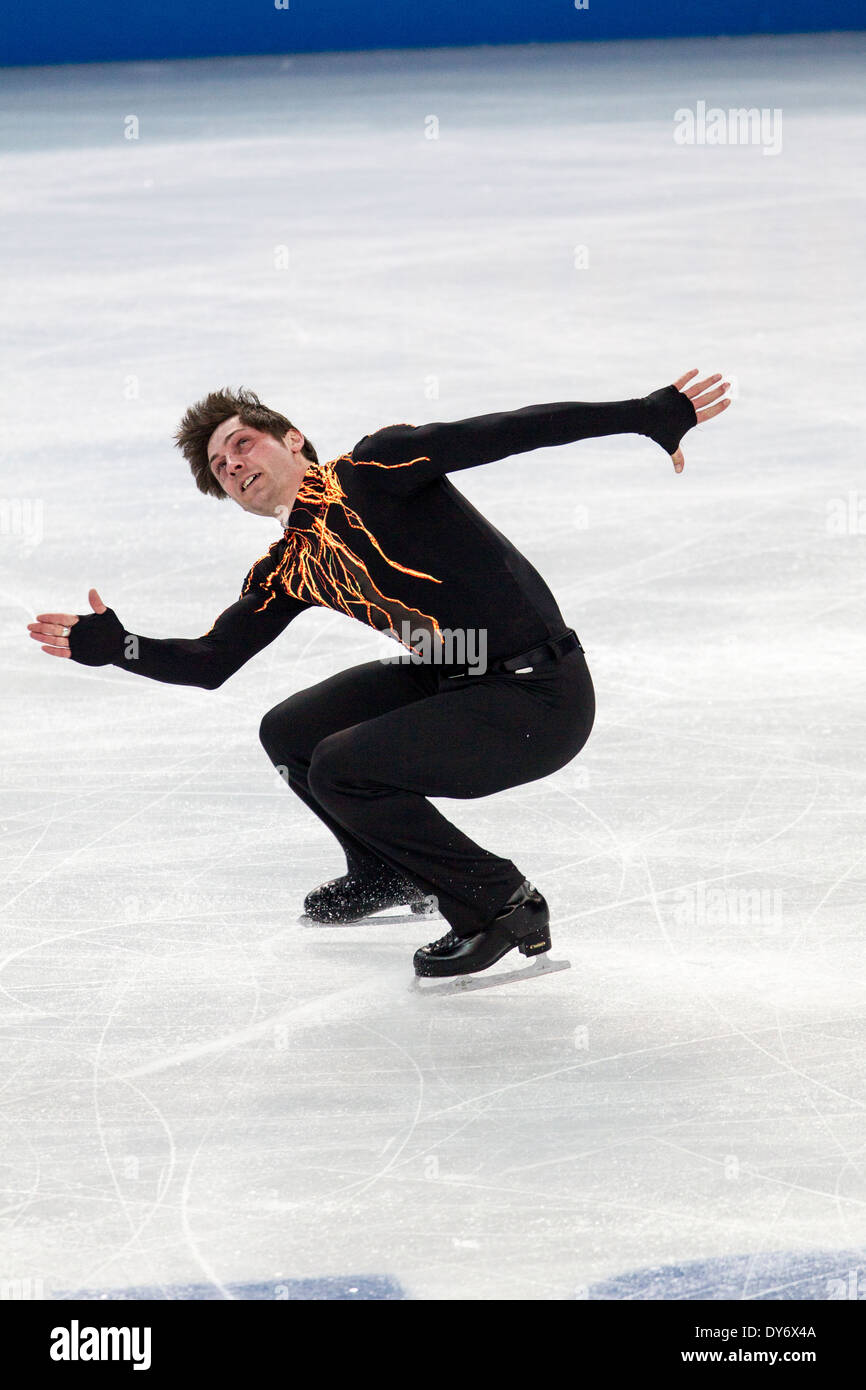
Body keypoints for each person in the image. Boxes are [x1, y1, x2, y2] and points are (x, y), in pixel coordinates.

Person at [27, 370, 730, 979]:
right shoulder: (289, 567)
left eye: (242, 443)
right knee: (291, 733)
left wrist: (646, 415)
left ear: (291, 439)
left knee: (341, 768)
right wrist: (120, 647)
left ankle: (498, 904)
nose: (233, 464)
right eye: (219, 468)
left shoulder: (377, 467)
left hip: (537, 696)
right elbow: (212, 663)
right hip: (464, 678)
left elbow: (511, 430)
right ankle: (383, 869)